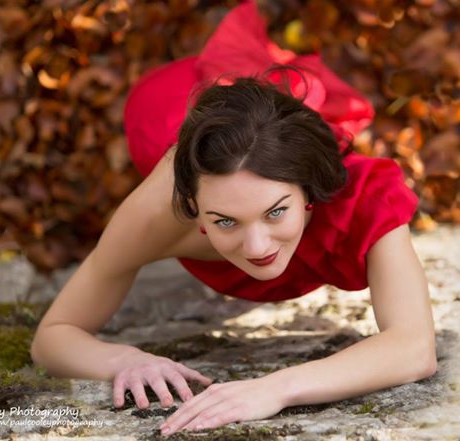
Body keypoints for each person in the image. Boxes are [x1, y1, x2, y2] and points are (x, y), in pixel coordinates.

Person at [31, 0, 436, 435]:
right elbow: (53, 335)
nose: (257, 247)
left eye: (276, 212)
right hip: (166, 106)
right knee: (176, 106)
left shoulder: (364, 197)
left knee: (277, 116)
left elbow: (413, 347)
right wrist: (122, 359)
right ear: (193, 207)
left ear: (309, 195)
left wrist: (275, 388)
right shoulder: (160, 209)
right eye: (225, 221)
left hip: (270, 132)